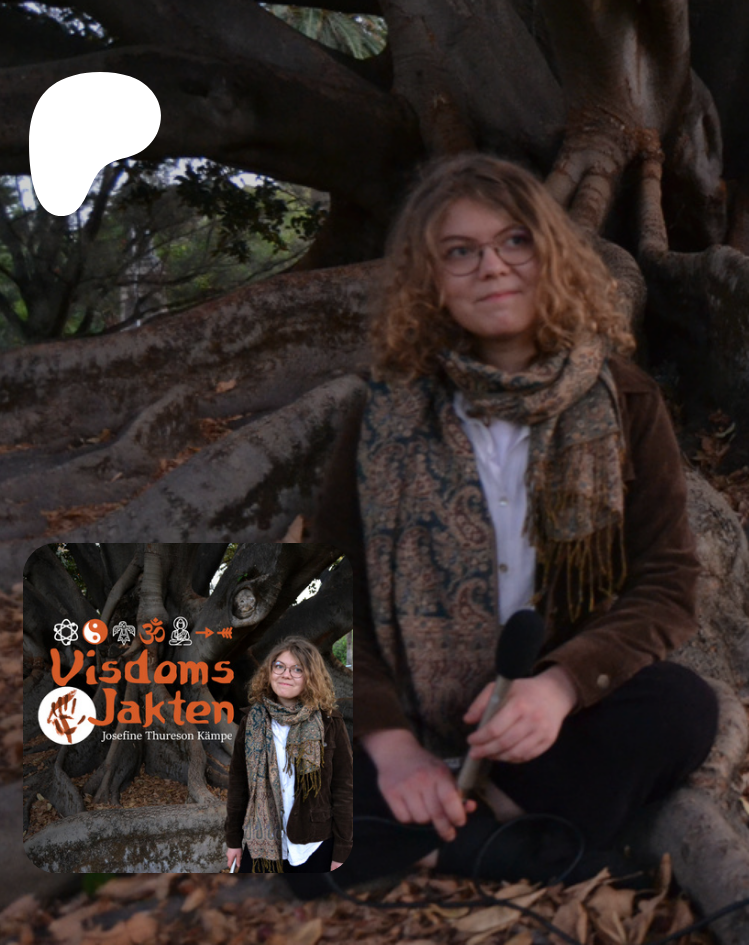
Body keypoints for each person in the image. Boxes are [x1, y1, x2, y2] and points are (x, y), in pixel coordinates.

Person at [311, 152, 718, 887]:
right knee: (268, 753)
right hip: (406, 713)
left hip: (550, 728)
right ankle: (511, 844)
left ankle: (448, 831)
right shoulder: (380, 414)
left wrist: (559, 688)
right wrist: (390, 744)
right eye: (459, 252)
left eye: (514, 241)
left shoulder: (625, 399)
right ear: (429, 280)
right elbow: (325, 595)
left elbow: (668, 581)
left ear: (552, 253)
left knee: (680, 709)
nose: (492, 266)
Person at [225, 637, 354, 873]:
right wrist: (233, 840)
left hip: (315, 844)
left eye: (297, 669)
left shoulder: (330, 722)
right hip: (262, 842)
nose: (286, 674)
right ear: (269, 672)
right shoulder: (252, 722)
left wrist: (343, 850)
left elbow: (344, 788)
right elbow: (238, 785)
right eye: (279, 666)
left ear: (311, 677)